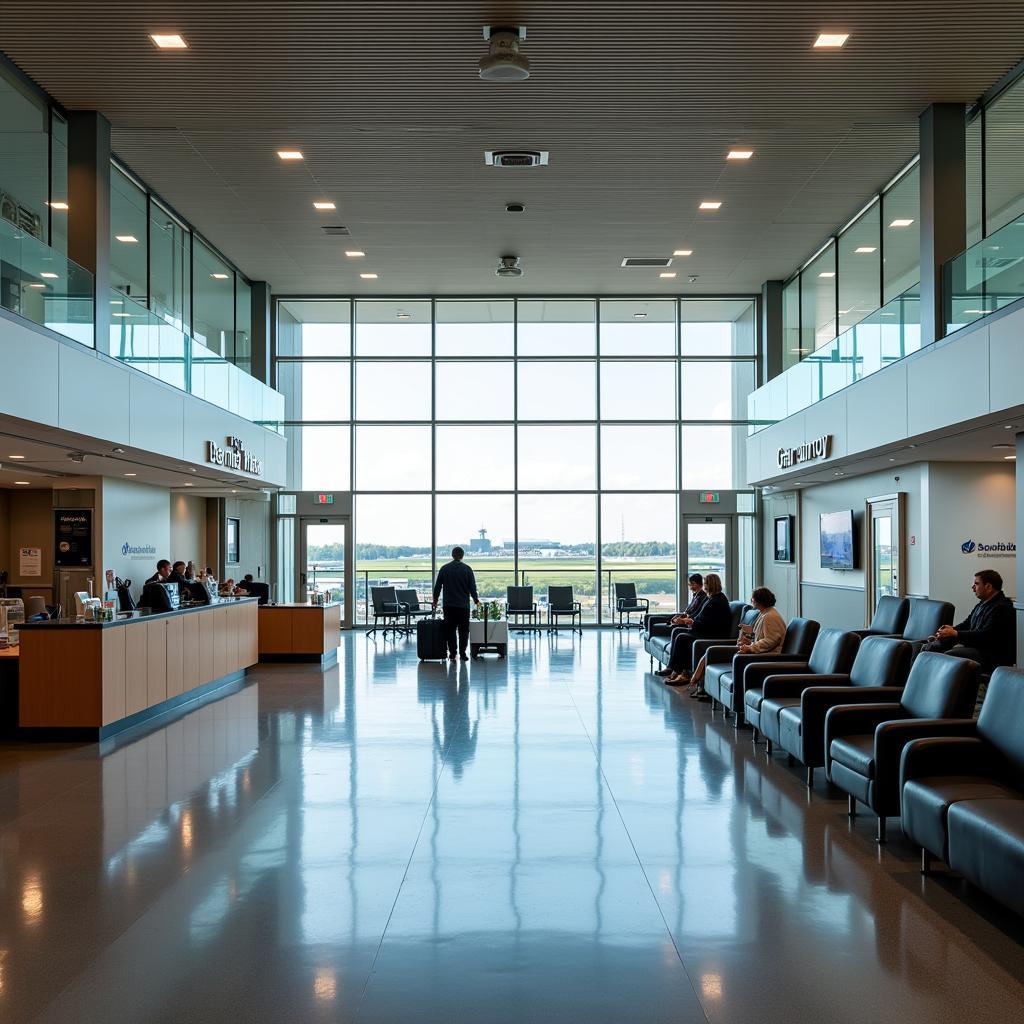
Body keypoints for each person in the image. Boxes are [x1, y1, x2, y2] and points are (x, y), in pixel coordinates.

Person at [689, 586, 785, 701]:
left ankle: (696, 680)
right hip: (759, 651)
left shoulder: (770, 616)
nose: (751, 601)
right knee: (709, 654)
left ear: (760, 600)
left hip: (766, 655)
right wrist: (749, 641)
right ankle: (700, 685)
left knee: (709, 654)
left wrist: (750, 648)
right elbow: (763, 638)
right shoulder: (764, 614)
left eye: (753, 599)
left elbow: (771, 641)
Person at [923, 569, 1015, 672]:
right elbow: (967, 624)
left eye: (976, 584)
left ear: (988, 587)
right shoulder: (982, 604)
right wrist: (949, 631)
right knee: (930, 647)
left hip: (991, 655)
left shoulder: (1002, 607)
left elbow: (985, 635)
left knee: (949, 655)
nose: (973, 588)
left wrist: (955, 633)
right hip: (977, 648)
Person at [663, 573, 732, 685]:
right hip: (705, 629)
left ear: (710, 585)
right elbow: (701, 616)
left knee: (682, 637)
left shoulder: (716, 602)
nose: (703, 586)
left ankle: (683, 673)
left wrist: (692, 622)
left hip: (712, 634)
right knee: (678, 631)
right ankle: (676, 670)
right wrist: (690, 620)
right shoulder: (712, 599)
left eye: (705, 583)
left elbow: (709, 623)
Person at [432, 547, 480, 662]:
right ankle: (463, 653)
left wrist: (435, 600)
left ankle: (453, 653)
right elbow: (472, 588)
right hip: (463, 606)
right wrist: (476, 600)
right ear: (462, 556)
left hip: (449, 606)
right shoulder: (467, 569)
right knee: (464, 630)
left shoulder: (444, 569)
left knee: (450, 630)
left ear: (452, 555)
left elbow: (438, 586)